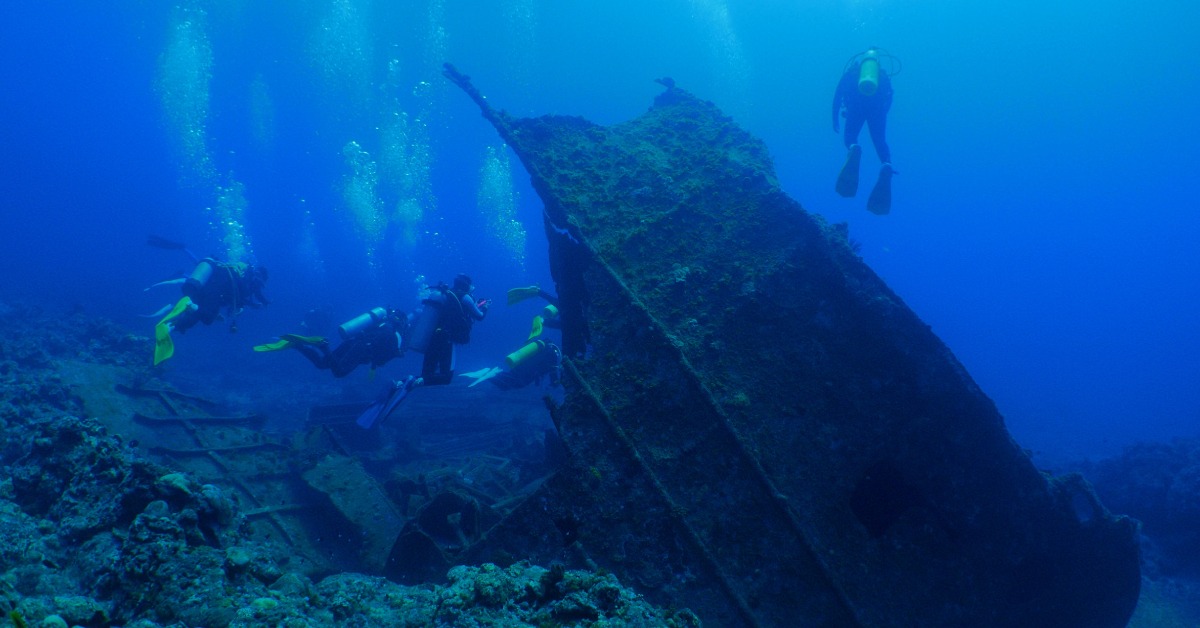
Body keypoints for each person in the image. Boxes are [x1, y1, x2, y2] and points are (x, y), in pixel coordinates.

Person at [150, 256, 270, 365]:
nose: (258, 286)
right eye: (260, 282)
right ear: (258, 275)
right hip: (215, 285)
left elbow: (245, 295)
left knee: (198, 316)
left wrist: (259, 303)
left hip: (210, 284)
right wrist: (249, 305)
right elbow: (239, 295)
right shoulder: (247, 277)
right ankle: (190, 305)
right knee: (207, 316)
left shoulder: (244, 276)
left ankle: (170, 327)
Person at [832, 48, 900, 215]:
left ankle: (854, 148)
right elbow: (889, 99)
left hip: (856, 106)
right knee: (880, 141)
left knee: (850, 138)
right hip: (877, 110)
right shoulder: (882, 76)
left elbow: (837, 95)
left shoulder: (851, 73)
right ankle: (886, 164)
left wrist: (835, 118)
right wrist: (881, 115)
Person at [253, 307, 409, 378]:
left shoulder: (382, 325)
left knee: (322, 364)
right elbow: (381, 361)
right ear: (402, 324)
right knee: (339, 372)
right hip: (362, 348)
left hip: (354, 341)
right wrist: (397, 353)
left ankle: (297, 345)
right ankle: (324, 346)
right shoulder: (396, 336)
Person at [408, 274, 489, 387]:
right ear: (466, 285)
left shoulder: (446, 294)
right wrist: (485, 307)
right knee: (446, 377)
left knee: (426, 374)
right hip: (446, 340)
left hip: (432, 337)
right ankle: (417, 381)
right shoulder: (465, 297)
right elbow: (479, 316)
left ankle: (404, 382)